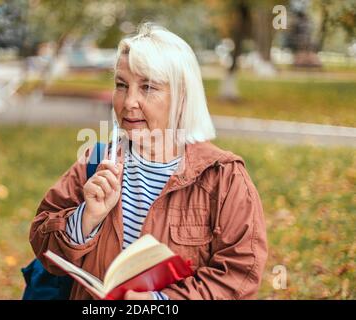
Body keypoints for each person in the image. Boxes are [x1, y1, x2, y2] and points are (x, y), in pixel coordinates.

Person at [30, 23, 268, 300]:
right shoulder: (96, 162)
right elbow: (42, 243)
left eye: (148, 87)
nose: (129, 101)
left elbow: (239, 275)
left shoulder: (223, 178)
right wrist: (86, 218)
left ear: (181, 97)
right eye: (121, 85)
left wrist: (160, 301)